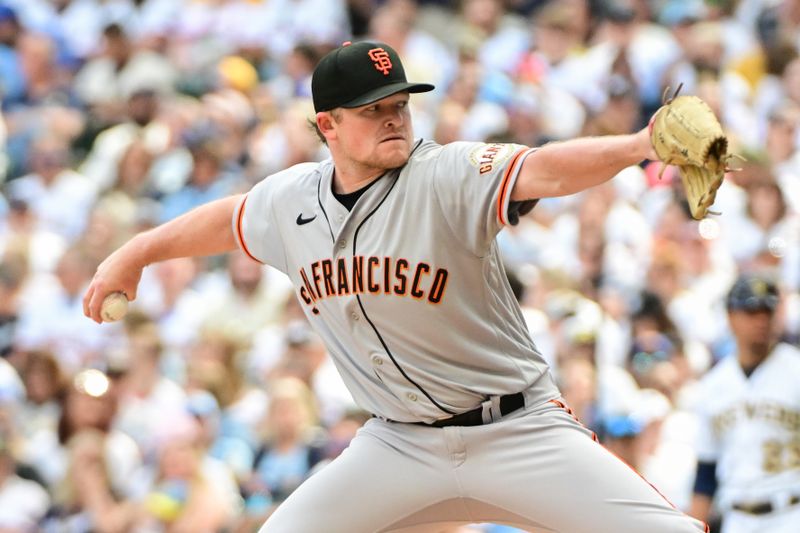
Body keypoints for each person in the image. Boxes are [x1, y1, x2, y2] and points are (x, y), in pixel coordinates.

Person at [84, 40, 708, 532]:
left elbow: (543, 168)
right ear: (327, 125)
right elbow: (230, 217)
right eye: (372, 109)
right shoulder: (291, 199)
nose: (392, 118)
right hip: (396, 445)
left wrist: (637, 145)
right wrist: (138, 251)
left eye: (399, 104)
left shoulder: (445, 173)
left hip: (518, 431)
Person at [690, 273, 800, 533]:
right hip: (737, 520)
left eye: (767, 310)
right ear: (730, 316)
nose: (762, 319)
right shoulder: (713, 385)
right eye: (751, 311)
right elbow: (706, 471)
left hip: (791, 513)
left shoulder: (796, 369)